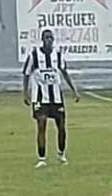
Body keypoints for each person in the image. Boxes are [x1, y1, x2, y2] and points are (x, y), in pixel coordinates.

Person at [22, 29, 80, 167]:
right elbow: (26, 74)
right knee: (41, 124)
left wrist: (74, 90)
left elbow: (64, 72)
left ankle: (61, 154)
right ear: (42, 39)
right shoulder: (34, 55)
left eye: (51, 38)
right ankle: (42, 158)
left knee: (61, 126)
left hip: (56, 98)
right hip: (40, 97)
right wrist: (25, 93)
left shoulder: (58, 55)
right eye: (46, 38)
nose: (49, 40)